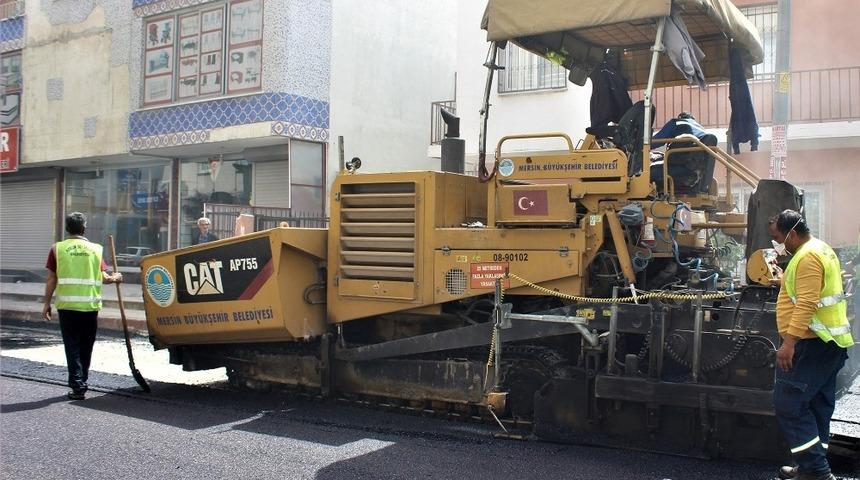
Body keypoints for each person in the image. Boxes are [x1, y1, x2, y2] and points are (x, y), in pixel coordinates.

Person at [767, 210, 853, 480]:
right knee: (817, 405)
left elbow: (807, 302)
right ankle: (810, 468)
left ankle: (818, 472)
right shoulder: (820, 249)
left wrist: (789, 343)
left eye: (778, 238)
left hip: (810, 343)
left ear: (792, 233)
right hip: (827, 343)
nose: (777, 245)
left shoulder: (807, 257)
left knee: (789, 404)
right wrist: (783, 280)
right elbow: (809, 290)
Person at [42, 212, 122, 400]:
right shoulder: (95, 249)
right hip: (89, 308)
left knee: (72, 346)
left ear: (67, 229)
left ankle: (78, 386)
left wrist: (46, 303)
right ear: (84, 228)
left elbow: (51, 279)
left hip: (67, 308)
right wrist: (115, 278)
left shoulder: (57, 249)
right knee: (86, 346)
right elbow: (104, 278)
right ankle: (81, 381)